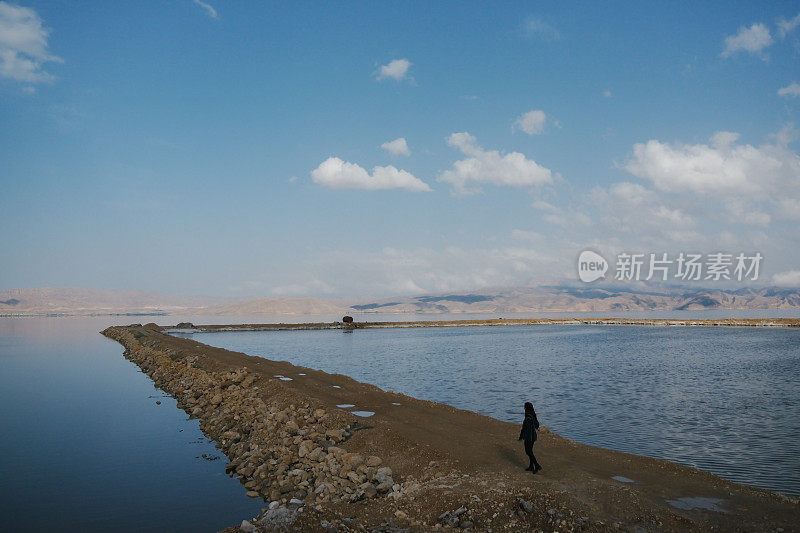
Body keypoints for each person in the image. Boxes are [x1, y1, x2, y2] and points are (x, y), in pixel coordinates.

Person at [518, 402, 541, 472]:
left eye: (524, 407)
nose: (524, 408)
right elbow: (537, 425)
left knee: (528, 452)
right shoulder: (532, 415)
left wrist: (522, 436)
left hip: (529, 437)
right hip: (533, 436)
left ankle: (537, 465)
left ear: (526, 408)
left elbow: (525, 428)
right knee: (530, 451)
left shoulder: (528, 417)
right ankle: (531, 466)